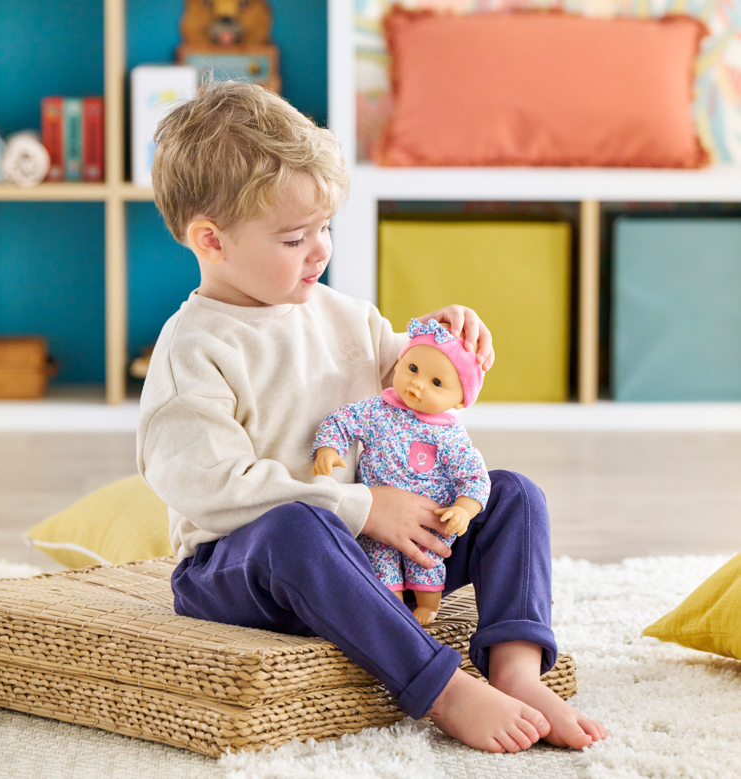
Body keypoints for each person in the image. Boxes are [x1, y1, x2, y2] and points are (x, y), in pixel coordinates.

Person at [136, 78, 606, 754]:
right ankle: (440, 687)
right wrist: (358, 507)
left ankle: (514, 665)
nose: (320, 250)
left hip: (370, 547)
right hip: (242, 566)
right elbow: (210, 487)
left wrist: (449, 338)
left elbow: (413, 382)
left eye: (324, 228)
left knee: (511, 497)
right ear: (210, 239)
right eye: (295, 237)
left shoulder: (343, 313)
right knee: (297, 529)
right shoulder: (195, 349)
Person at [311, 317, 489, 625]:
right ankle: (390, 613)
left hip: (428, 524)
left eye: (436, 383)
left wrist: (463, 509)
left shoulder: (450, 437)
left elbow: (474, 477)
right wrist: (329, 448)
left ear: (460, 400)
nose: (417, 384)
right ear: (401, 361)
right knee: (379, 564)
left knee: (427, 562)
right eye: (412, 369)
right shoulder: (378, 411)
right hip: (376, 519)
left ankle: (429, 606)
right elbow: (341, 421)